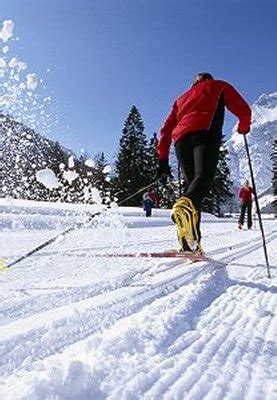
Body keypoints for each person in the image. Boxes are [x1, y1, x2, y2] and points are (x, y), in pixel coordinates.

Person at [157, 72, 251, 253]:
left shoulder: (181, 99)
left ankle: (191, 243)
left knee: (193, 189)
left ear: (194, 83)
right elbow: (244, 111)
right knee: (202, 178)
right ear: (210, 79)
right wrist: (243, 127)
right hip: (205, 133)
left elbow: (166, 129)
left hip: (181, 141)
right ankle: (185, 209)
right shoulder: (218, 85)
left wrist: (162, 159)